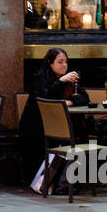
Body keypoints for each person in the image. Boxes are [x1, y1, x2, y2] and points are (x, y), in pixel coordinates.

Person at [21, 48, 91, 180]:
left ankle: (70, 180)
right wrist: (60, 82)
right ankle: (50, 180)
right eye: (60, 62)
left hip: (62, 125)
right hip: (38, 126)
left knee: (81, 133)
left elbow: (85, 98)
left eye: (66, 61)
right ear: (50, 63)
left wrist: (70, 101)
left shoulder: (70, 80)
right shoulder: (40, 77)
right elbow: (43, 99)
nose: (64, 65)